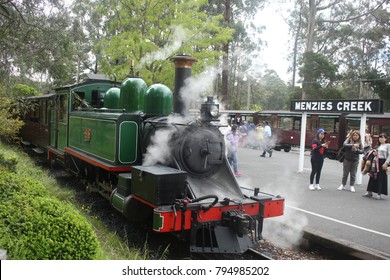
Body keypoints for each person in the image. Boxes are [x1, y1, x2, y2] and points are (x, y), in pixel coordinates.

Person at [362, 133, 390, 200]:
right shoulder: (378, 145)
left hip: (382, 162)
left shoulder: (388, 145)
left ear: (386, 138)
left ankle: (379, 193)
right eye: (380, 137)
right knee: (372, 176)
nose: (381, 139)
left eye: (382, 137)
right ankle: (369, 192)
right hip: (375, 162)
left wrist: (386, 163)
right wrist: (374, 154)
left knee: (380, 177)